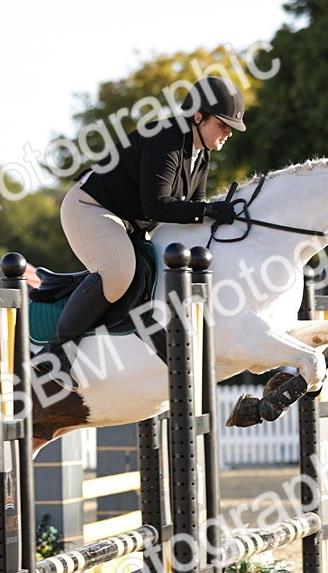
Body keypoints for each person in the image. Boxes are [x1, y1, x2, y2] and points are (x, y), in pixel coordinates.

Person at [39, 75, 247, 379]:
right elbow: (158, 205)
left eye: (231, 127)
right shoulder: (166, 138)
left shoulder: (201, 154)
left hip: (126, 222)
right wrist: (211, 210)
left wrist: (213, 216)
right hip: (90, 208)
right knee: (119, 272)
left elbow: (193, 210)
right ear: (198, 116)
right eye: (223, 124)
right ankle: (55, 354)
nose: (228, 132)